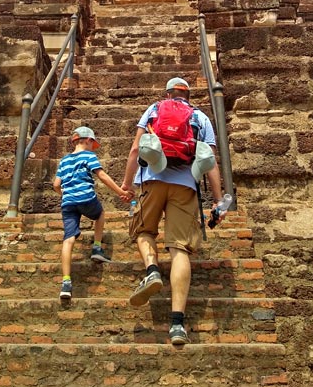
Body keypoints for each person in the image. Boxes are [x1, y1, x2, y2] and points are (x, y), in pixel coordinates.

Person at [121, 77, 226, 347]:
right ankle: (177, 324)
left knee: (143, 231)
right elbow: (210, 161)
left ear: (167, 93)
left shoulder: (154, 109)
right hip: (185, 185)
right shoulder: (200, 117)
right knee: (180, 249)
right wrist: (217, 201)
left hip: (152, 180)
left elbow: (136, 149)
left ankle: (153, 269)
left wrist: (127, 183)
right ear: (188, 96)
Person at [53, 126, 130, 300]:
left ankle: (66, 282)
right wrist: (121, 192)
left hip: (68, 202)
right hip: (86, 197)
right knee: (100, 214)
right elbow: (102, 176)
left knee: (68, 238)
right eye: (92, 143)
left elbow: (56, 184)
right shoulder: (88, 156)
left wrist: (65, 194)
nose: (92, 146)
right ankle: (96, 247)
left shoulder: (64, 160)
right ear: (88, 140)